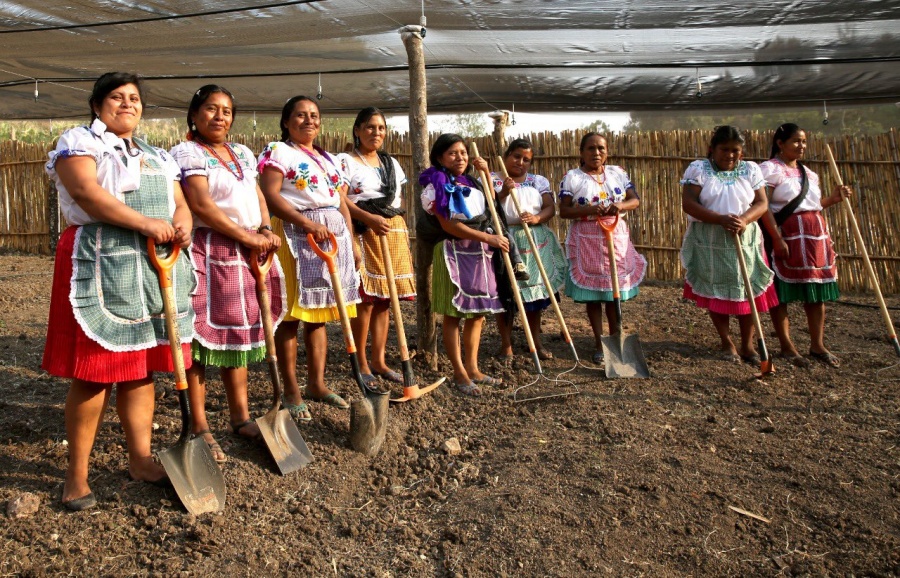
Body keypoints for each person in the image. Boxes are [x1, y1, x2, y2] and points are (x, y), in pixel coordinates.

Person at [43, 72, 194, 510]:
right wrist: (147, 223)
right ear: (96, 105)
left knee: (140, 365)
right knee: (95, 371)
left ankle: (141, 459)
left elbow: (178, 200)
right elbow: (86, 193)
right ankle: (76, 475)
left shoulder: (155, 154)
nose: (127, 104)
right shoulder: (79, 142)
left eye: (134, 98)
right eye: (116, 97)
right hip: (101, 259)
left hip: (152, 264)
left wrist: (180, 225)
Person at [170, 85, 285, 462]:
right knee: (204, 338)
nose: (220, 117)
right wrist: (247, 236)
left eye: (226, 111)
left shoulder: (241, 152)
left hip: (250, 250)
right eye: (211, 109)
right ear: (194, 114)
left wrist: (265, 230)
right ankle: (200, 425)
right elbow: (201, 204)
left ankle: (240, 416)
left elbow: (257, 196)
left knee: (241, 332)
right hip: (210, 250)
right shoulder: (186, 153)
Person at [259, 96, 360, 420]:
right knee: (290, 317)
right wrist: (306, 224)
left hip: (330, 237)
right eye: (300, 116)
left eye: (314, 115)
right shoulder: (278, 152)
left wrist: (351, 240)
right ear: (287, 122)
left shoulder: (328, 159)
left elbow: (340, 201)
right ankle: (291, 391)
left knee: (319, 316)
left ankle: (317, 384)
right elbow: (270, 195)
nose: (309, 121)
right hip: (294, 235)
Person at [418, 134, 507, 396]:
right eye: (453, 153)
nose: (460, 158)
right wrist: (488, 237)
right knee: (454, 314)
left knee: (478, 314)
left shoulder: (470, 181)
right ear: (439, 158)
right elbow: (449, 224)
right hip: (452, 252)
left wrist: (485, 173)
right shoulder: (435, 186)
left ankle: (473, 367)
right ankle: (458, 371)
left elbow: (490, 204)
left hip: (478, 254)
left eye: (464, 153)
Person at [680, 125, 778, 363]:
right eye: (724, 150)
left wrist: (743, 219)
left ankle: (748, 345)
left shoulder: (750, 170)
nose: (730, 155)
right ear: (712, 149)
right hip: (710, 239)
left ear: (741, 152)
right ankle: (727, 343)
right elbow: (689, 203)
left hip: (745, 238)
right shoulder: (699, 169)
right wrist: (719, 219)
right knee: (717, 290)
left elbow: (762, 202)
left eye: (735, 150)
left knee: (747, 291)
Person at [759, 123, 850, 368]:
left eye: (804, 141)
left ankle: (817, 344)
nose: (802, 146)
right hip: (787, 236)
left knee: (816, 290)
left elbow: (813, 204)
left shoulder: (809, 173)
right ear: (780, 143)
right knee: (781, 292)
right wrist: (776, 238)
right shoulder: (768, 170)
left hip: (814, 238)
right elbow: (763, 206)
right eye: (796, 141)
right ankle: (787, 346)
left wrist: (833, 198)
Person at [337, 107, 414, 385]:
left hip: (391, 231)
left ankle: (379, 360)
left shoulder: (391, 163)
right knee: (366, 301)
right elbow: (341, 199)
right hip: (362, 231)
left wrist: (388, 220)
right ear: (357, 130)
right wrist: (369, 217)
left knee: (386, 302)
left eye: (381, 128)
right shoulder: (345, 161)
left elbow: (398, 201)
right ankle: (361, 362)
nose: (376, 133)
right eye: (370, 127)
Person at [559, 133, 646, 365]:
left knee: (613, 293)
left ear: (607, 151)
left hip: (615, 236)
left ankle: (617, 338)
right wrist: (590, 209)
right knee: (594, 297)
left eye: (601, 148)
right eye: (590, 149)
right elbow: (564, 211)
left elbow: (634, 200)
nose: (596, 153)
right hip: (587, 238)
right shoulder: (573, 178)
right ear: (581, 152)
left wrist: (620, 205)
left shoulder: (617, 173)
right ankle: (599, 342)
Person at [491, 138, 567, 361]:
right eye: (516, 156)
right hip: (505, 238)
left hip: (533, 240)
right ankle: (506, 345)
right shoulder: (492, 180)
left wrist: (536, 217)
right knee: (506, 294)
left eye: (526, 159)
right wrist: (504, 192)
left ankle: (535, 342)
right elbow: (488, 207)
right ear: (506, 156)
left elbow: (550, 208)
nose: (521, 162)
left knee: (534, 296)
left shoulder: (537, 181)